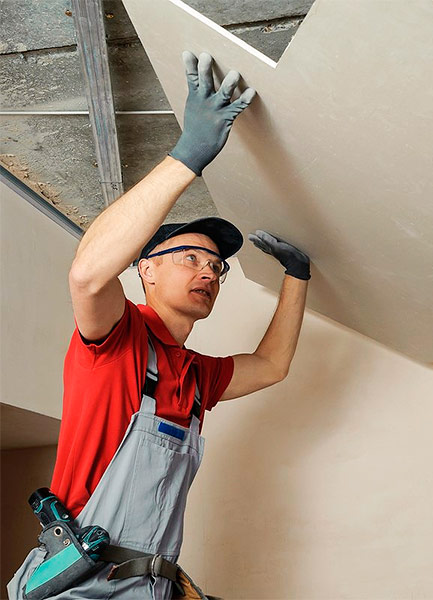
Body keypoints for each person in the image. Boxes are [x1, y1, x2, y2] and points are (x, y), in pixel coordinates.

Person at [9, 52, 311, 598]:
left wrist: (298, 277)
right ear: (145, 269)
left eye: (217, 266)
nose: (209, 272)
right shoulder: (116, 337)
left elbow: (270, 366)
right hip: (79, 588)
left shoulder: (195, 376)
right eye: (190, 258)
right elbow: (86, 276)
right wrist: (187, 156)